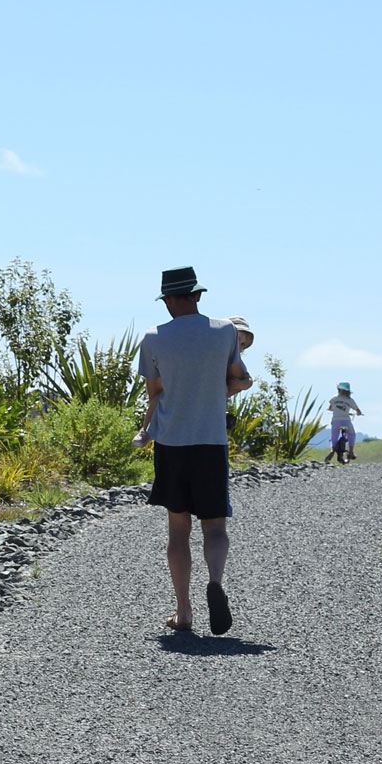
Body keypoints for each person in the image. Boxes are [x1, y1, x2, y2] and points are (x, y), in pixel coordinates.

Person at [132, 267, 254, 635]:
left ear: (167, 299)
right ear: (197, 295)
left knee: (178, 529)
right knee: (214, 527)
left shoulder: (153, 337)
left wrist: (145, 431)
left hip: (172, 443)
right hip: (211, 441)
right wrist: (216, 393)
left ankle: (183, 611)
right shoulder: (226, 331)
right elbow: (237, 377)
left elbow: (155, 393)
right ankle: (215, 581)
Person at [324, 382, 364, 464]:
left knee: (334, 436)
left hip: (336, 420)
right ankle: (351, 451)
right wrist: (359, 413)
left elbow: (331, 408)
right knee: (352, 434)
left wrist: (334, 409)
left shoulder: (335, 398)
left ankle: (332, 450)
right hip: (346, 420)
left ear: (338, 389)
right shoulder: (350, 400)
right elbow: (358, 411)